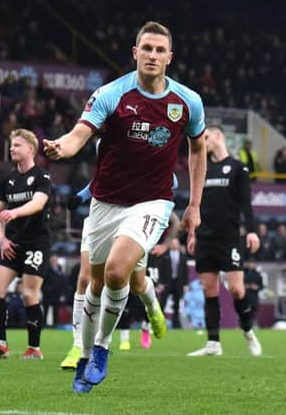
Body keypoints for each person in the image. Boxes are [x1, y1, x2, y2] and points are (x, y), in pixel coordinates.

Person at [45, 21, 206, 392]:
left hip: (153, 202)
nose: (152, 55)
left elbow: (198, 149)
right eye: (146, 48)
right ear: (135, 53)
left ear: (169, 57)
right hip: (105, 202)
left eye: (159, 50)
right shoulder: (111, 94)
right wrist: (62, 148)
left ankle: (101, 349)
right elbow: (79, 135)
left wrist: (194, 205)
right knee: (94, 282)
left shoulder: (187, 102)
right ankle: (84, 355)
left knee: (118, 272)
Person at [59, 179, 174, 369]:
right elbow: (102, 175)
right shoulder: (103, 148)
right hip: (101, 213)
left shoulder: (153, 149)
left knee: (137, 285)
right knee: (86, 278)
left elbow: (170, 178)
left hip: (136, 217)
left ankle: (152, 307)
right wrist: (81, 196)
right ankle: (78, 346)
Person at [187, 124, 262, 357]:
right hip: (205, 237)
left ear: (218, 136)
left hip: (229, 238)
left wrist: (251, 231)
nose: (203, 141)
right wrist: (191, 233)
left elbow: (246, 204)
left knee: (237, 290)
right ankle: (213, 343)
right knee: (209, 290)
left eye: (206, 137)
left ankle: (248, 331)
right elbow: (194, 204)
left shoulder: (238, 168)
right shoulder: (202, 168)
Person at [0, 129, 52, 360]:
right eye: (12, 145)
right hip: (12, 244)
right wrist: (1, 238)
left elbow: (38, 204)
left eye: (17, 145)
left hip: (35, 244)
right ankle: (0, 344)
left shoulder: (42, 177)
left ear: (30, 149)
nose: (12, 148)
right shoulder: (7, 180)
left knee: (29, 294)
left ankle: (34, 349)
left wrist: (15, 212)